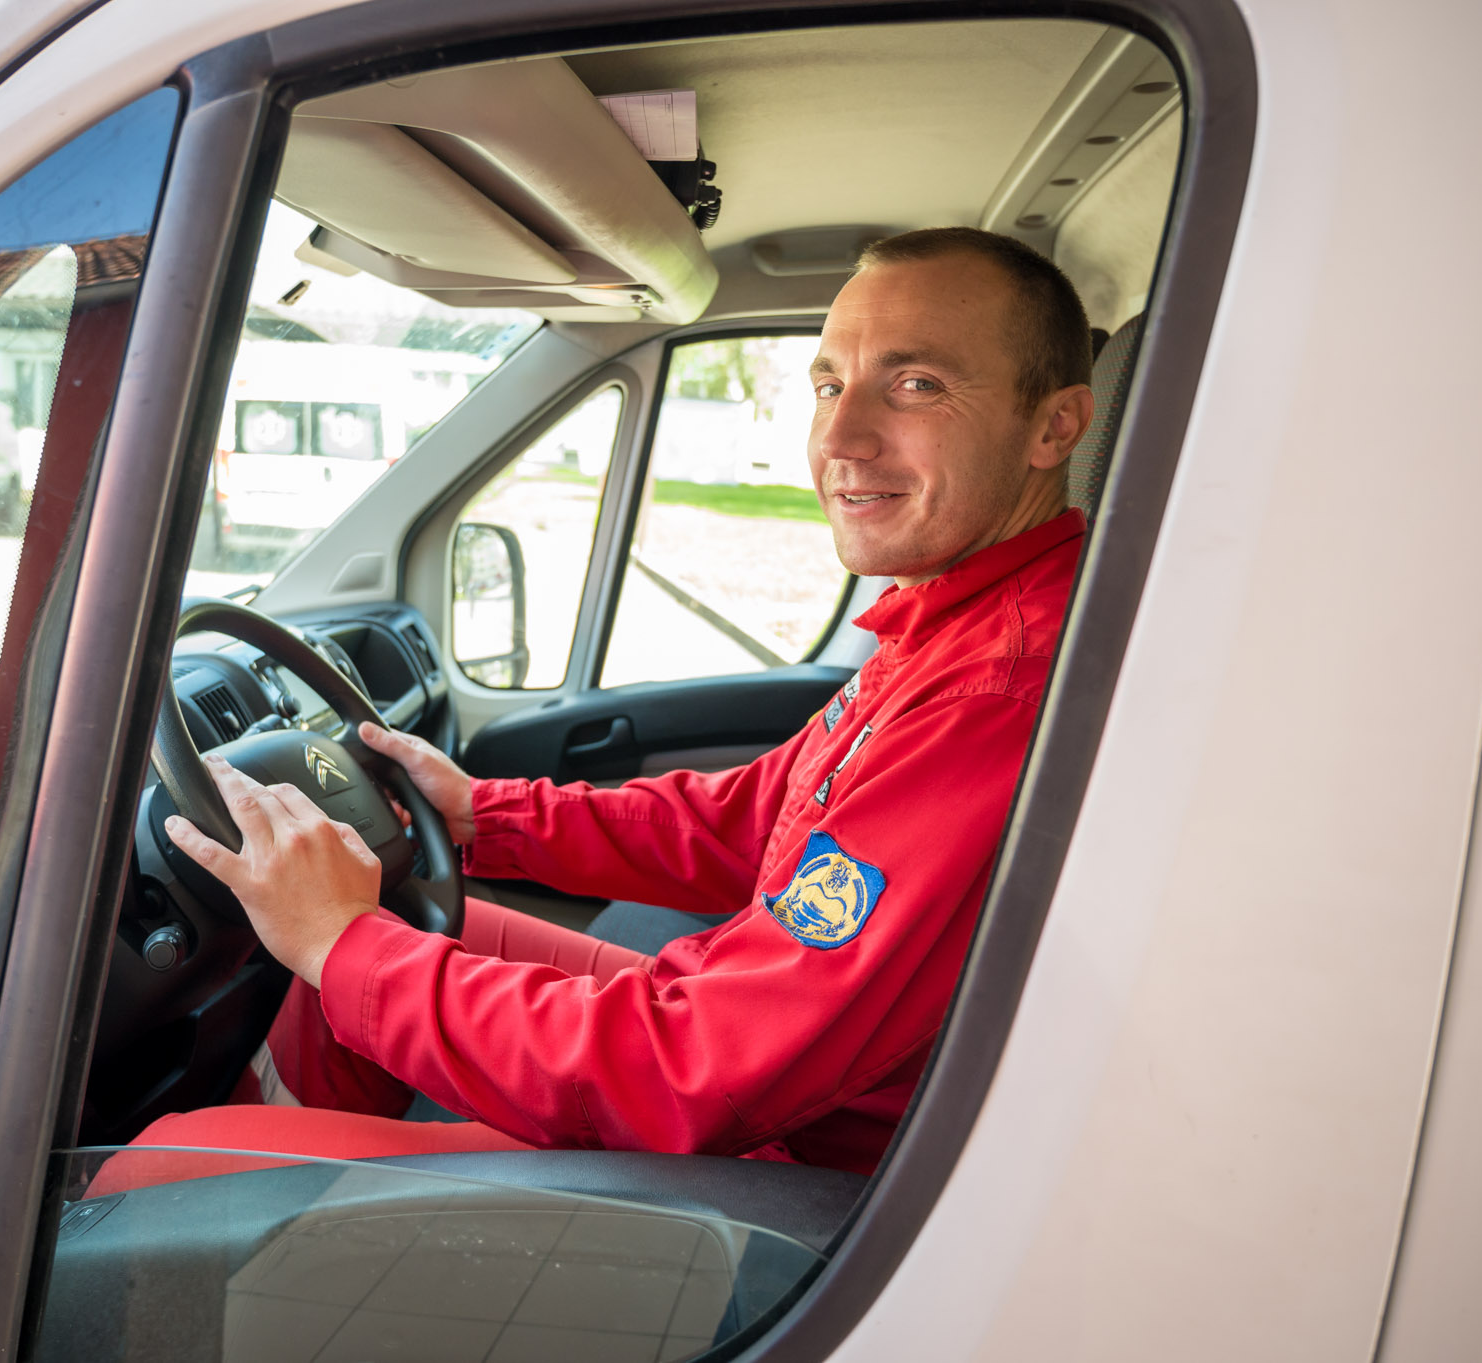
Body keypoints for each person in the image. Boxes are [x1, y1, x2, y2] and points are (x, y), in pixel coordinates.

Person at [92, 227, 1097, 1193]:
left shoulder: (993, 690)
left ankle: (278, 1207)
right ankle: (327, 1209)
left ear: (1054, 425)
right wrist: (480, 815)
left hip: (795, 1187)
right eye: (828, 383)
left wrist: (334, 940)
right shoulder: (952, 622)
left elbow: (692, 1071)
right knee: (392, 933)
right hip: (763, 1081)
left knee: (157, 1168)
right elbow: (744, 823)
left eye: (914, 385)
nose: (839, 436)